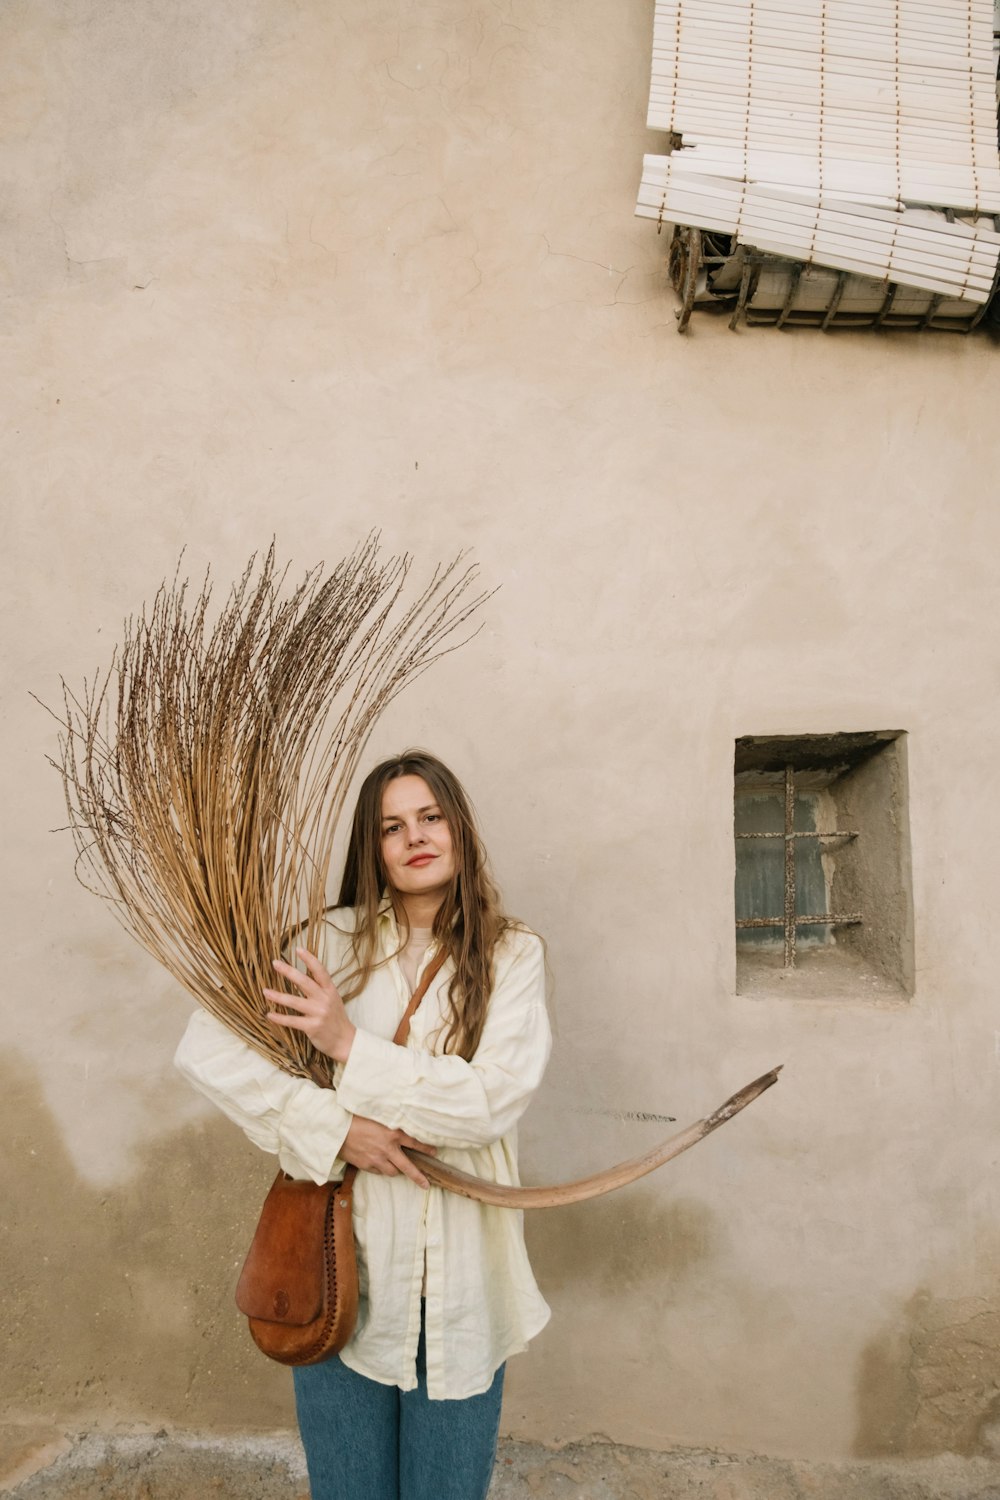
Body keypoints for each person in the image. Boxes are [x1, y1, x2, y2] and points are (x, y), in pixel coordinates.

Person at [174, 749, 552, 1500]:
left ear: (458, 828)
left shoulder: (512, 953)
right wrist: (334, 1129)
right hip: (340, 1282)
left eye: (430, 817)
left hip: (463, 1294)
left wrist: (348, 1046)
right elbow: (207, 1048)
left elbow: (488, 1103)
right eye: (391, 826)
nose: (415, 836)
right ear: (371, 847)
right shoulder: (327, 944)